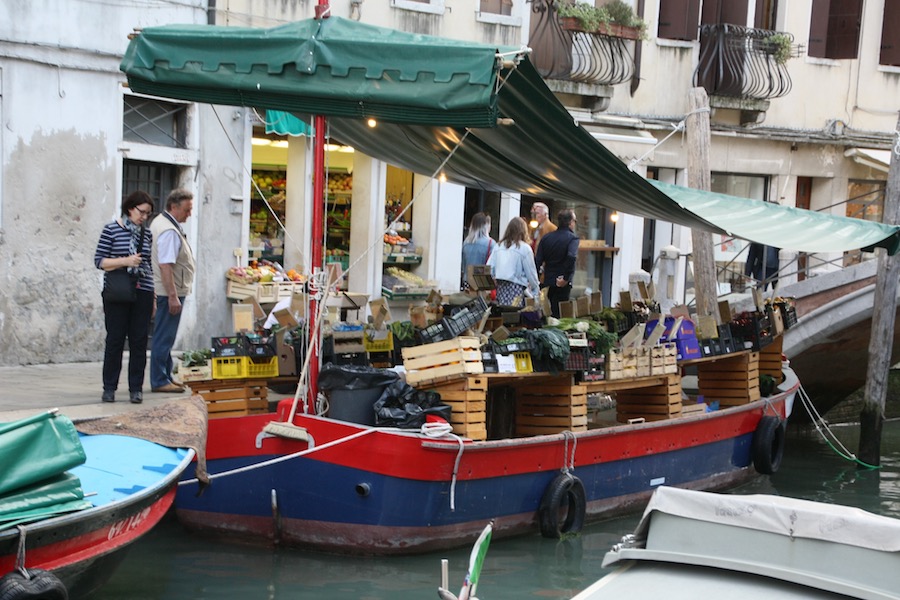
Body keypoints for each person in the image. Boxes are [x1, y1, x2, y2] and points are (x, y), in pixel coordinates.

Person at [93, 191, 155, 404]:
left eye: (148, 214)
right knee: (115, 340)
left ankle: (136, 389)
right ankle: (109, 388)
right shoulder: (111, 230)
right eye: (141, 212)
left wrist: (153, 296)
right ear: (130, 208)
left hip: (143, 290)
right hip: (117, 292)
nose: (144, 217)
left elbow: (147, 264)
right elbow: (100, 261)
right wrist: (125, 261)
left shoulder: (146, 234)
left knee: (139, 342)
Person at [150, 188, 195, 393]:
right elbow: (165, 265)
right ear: (174, 207)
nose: (189, 214)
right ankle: (160, 380)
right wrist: (172, 296)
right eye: (187, 209)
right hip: (169, 291)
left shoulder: (162, 222)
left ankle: (165, 376)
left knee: (165, 335)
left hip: (167, 290)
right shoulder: (169, 231)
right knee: (164, 336)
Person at [535, 209, 580, 318]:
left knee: (547, 313)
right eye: (575, 221)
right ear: (570, 222)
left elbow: (538, 260)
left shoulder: (546, 238)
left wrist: (536, 278)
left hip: (547, 280)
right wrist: (566, 278)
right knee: (560, 315)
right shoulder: (573, 239)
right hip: (562, 282)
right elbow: (571, 256)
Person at [486, 217, 540, 307]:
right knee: (515, 314)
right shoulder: (524, 248)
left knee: (502, 313)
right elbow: (531, 272)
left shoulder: (498, 246)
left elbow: (489, 267)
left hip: (501, 287)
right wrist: (536, 289)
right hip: (517, 288)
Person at [460, 212, 494, 290]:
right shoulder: (491, 243)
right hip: (483, 283)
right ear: (486, 226)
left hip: (468, 282)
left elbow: (463, 266)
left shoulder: (466, 243)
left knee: (469, 301)